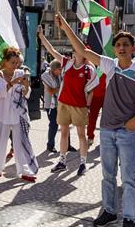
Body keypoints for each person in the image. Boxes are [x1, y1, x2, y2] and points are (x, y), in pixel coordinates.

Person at [56, 13, 135, 227]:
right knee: (107, 175)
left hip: (128, 132)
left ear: (133, 48)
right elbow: (82, 50)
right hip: (108, 130)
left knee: (129, 178)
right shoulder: (110, 66)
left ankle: (130, 219)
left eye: (126, 45)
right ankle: (110, 211)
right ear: (114, 49)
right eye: (118, 45)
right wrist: (65, 29)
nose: (122, 48)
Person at [39, 28, 96, 175]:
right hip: (63, 103)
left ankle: (82, 164)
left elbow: (91, 91)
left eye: (77, 50)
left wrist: (88, 107)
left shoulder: (89, 69)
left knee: (81, 134)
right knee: (63, 132)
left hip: (79, 106)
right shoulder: (67, 63)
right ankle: (62, 161)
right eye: (74, 49)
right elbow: (51, 50)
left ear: (83, 53)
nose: (73, 52)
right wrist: (41, 37)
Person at [0, 47, 38, 181]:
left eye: (17, 62)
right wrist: (12, 83)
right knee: (0, 142)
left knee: (20, 142)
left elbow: (26, 95)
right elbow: (0, 93)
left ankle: (25, 170)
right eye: (13, 62)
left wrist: (26, 85)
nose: (16, 65)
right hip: (2, 113)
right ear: (5, 62)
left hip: (18, 114)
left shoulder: (20, 73)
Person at [40, 59, 62, 152]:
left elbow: (55, 89)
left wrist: (58, 89)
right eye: (59, 69)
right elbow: (51, 91)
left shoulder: (60, 74)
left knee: (65, 123)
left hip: (61, 102)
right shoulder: (45, 76)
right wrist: (62, 88)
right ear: (54, 69)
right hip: (50, 104)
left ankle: (67, 145)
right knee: (53, 125)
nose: (61, 71)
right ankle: (50, 145)